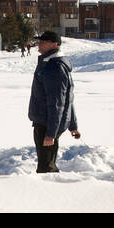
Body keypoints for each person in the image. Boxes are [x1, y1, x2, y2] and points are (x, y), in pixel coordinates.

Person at [28, 30, 80, 173]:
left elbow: (57, 102)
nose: (39, 45)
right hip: (47, 121)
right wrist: (73, 125)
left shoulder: (54, 67)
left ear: (54, 44)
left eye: (43, 42)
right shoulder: (50, 63)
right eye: (39, 42)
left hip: (47, 123)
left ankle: (51, 192)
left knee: (46, 168)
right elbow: (68, 98)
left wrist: (50, 133)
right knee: (47, 163)